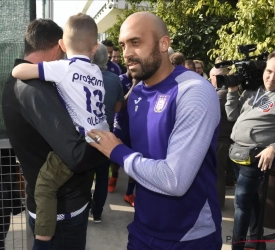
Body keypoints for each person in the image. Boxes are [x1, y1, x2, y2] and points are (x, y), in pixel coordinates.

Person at [87, 11, 222, 249]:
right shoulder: (137, 92)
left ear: (163, 43)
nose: (127, 53)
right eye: (123, 44)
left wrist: (117, 152)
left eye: (135, 42)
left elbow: (174, 179)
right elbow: (117, 138)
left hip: (189, 236)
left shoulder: (194, 92)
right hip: (142, 228)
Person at [2, 18, 106, 250]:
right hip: (63, 211)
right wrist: (107, 152)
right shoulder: (35, 89)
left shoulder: (17, 82)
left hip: (49, 202)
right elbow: (77, 155)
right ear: (59, 46)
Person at [225, 52, 275, 250]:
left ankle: (237, 246)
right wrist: (232, 90)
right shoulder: (256, 93)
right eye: (269, 71)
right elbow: (232, 115)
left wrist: (273, 147)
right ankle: (257, 241)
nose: (271, 77)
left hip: (255, 158)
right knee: (251, 200)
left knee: (241, 204)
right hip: (237, 154)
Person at [90, 43, 124, 223]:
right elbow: (118, 107)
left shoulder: (82, 78)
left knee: (85, 174)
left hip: (86, 134)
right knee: (103, 176)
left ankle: (85, 207)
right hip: (106, 134)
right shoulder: (115, 78)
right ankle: (97, 213)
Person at [108, 69, 138, 207]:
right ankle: (114, 175)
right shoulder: (119, 80)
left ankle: (129, 193)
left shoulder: (145, 80)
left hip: (137, 126)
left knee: (135, 158)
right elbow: (119, 106)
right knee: (115, 156)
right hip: (120, 124)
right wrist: (134, 86)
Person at [209, 67, 235, 208]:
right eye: (212, 75)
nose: (211, 79)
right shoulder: (218, 92)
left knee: (218, 172)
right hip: (219, 137)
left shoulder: (223, 93)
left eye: (214, 76)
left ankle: (217, 203)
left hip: (221, 138)